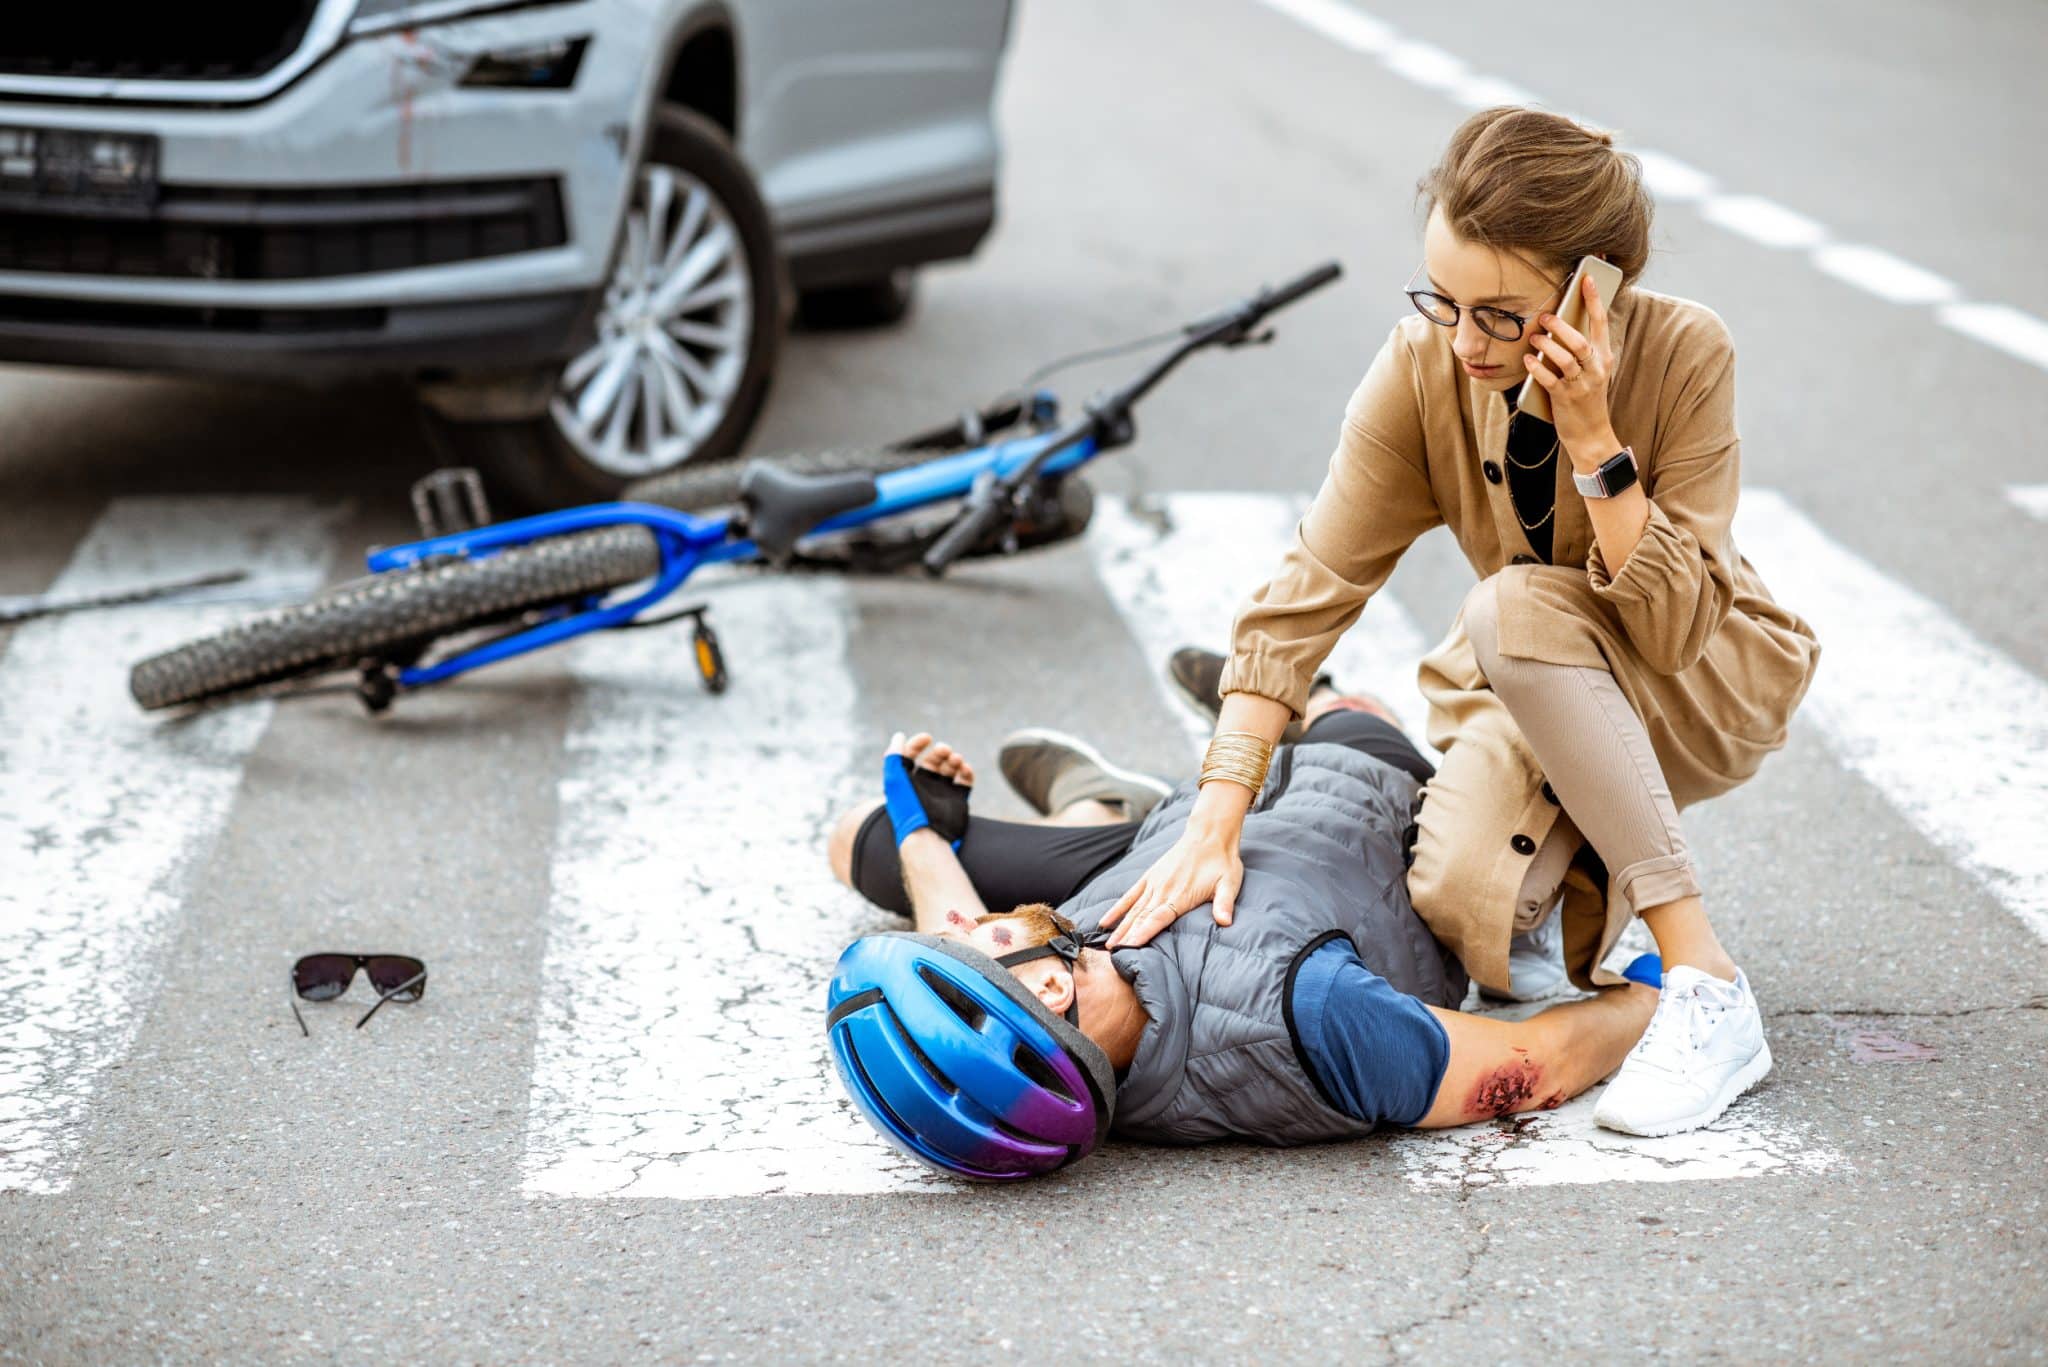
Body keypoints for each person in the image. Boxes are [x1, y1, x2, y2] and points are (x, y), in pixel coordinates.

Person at [1107, 106, 1821, 1138]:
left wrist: (1594, 441)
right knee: (1459, 902)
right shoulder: (1423, 368)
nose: (1465, 340)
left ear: (1595, 291)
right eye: (1443, 300)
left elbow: (1670, 629)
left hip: (1703, 677)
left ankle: (1705, 982)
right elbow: (1312, 580)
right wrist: (1217, 819)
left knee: (1510, 601)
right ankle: (1552, 885)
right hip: (1534, 675)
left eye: (1501, 313)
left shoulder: (1683, 352)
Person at [822, 688, 1663, 1180]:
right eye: (972, 940)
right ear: (1046, 988)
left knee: (859, 836)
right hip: (1357, 798)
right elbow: (1534, 1065)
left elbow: (960, 961)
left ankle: (1101, 800)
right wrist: (1659, 997)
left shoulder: (1064, 991)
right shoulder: (1309, 1016)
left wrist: (920, 828)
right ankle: (1327, 692)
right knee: (1345, 710)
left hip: (1165, 840)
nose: (961, 925)